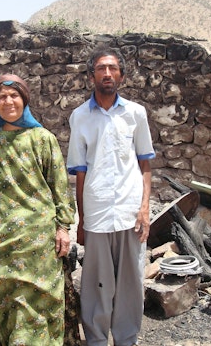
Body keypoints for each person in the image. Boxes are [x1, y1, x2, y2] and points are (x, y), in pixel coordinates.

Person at [0, 74, 78, 345]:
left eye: (14, 95)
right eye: (2, 96)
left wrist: (63, 227)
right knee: (7, 307)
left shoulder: (42, 139)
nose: (8, 101)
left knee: (42, 306)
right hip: (0, 243)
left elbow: (60, 187)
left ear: (24, 99)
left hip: (41, 245)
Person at [67, 47, 156, 346]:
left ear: (121, 75)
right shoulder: (79, 117)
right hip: (97, 212)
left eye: (113, 68)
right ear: (91, 75)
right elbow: (80, 173)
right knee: (96, 285)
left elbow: (145, 163)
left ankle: (126, 339)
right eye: (101, 68)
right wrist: (81, 220)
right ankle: (95, 340)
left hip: (131, 212)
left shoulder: (135, 114)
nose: (107, 73)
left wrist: (144, 209)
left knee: (131, 283)